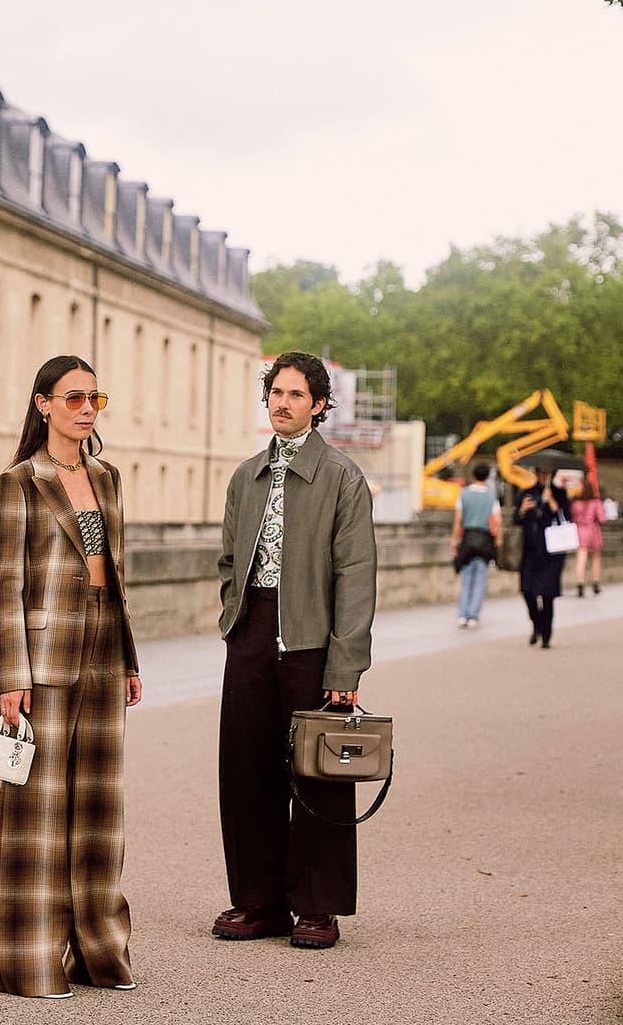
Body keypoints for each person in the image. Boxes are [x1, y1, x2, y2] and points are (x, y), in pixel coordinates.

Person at [0, 355, 142, 999]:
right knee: (36, 813)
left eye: (94, 399)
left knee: (100, 811)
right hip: (41, 659)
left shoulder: (106, 479)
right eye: (73, 398)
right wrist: (9, 676)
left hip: (104, 648)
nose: (85, 408)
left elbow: (116, 575)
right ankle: (27, 962)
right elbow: (4, 588)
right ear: (44, 404)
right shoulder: (19, 483)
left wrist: (129, 658)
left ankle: (100, 953)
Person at [213, 351, 377, 950]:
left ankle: (317, 907)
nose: (282, 403)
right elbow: (231, 558)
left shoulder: (342, 478)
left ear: (319, 406)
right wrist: (235, 615)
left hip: (314, 639)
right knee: (247, 769)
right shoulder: (246, 475)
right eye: (275, 392)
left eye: (295, 394)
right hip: (251, 631)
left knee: (318, 773)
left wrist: (345, 664)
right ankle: (257, 902)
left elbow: (356, 575)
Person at [514, 465, 571, 649]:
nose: (543, 475)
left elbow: (567, 518)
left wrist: (552, 503)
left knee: (547, 595)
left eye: (546, 472)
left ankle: (546, 635)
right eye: (540, 472)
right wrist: (523, 510)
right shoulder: (527, 493)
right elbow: (516, 519)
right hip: (530, 550)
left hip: (552, 553)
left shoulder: (560, 494)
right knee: (527, 590)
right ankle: (537, 623)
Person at [450, 462, 503, 628]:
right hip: (485, 540)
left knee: (466, 578)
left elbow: (458, 519)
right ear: (487, 476)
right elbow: (498, 520)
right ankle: (473, 615)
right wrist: (499, 540)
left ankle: (462, 614)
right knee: (480, 579)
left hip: (468, 538)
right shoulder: (490, 496)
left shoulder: (464, 494)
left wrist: (454, 539)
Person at [570, 478, 606, 596]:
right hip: (593, 531)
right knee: (596, 558)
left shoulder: (575, 503)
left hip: (580, 531)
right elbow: (602, 518)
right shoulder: (595, 502)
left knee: (581, 558)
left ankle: (580, 584)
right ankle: (595, 583)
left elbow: (572, 517)